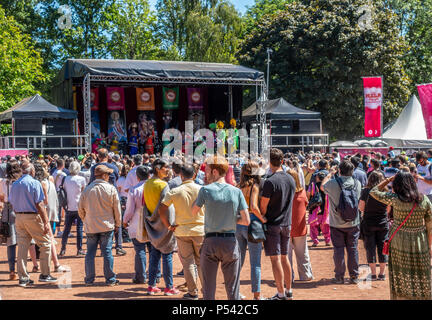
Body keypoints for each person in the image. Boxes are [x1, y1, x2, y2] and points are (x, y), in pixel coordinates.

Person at [192, 155, 250, 300]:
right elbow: (246, 220)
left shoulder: (205, 190)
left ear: (215, 172)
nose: (205, 174)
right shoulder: (236, 191)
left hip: (210, 242)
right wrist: (230, 219)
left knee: (208, 289)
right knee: (233, 290)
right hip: (230, 242)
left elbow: (193, 212)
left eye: (208, 170)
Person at [370, 172, 432, 299]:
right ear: (413, 183)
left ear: (397, 185)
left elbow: (373, 191)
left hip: (398, 239)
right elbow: (430, 227)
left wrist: (388, 179)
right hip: (419, 240)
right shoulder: (424, 200)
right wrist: (429, 246)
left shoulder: (394, 198)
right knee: (421, 272)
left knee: (400, 272)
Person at [159, 164, 205, 300]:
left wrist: (168, 225)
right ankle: (207, 290)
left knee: (188, 263)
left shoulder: (175, 191)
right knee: (201, 262)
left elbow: (162, 209)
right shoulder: (203, 190)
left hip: (182, 231)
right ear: (195, 175)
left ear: (181, 176)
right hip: (200, 230)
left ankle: (192, 292)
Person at [9, 161, 57, 287]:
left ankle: (23, 278)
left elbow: (12, 203)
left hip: (19, 217)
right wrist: (46, 222)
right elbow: (40, 204)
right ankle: (45, 274)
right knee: (45, 244)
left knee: (23, 247)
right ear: (32, 171)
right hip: (33, 216)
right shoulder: (35, 183)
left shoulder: (15, 184)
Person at [260, 148, 296, 300]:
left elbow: (263, 207)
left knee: (276, 259)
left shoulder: (270, 181)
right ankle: (288, 291)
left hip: (273, 224)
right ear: (282, 161)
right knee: (284, 257)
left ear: (269, 162)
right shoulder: (291, 179)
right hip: (287, 223)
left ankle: (281, 293)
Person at [78, 165, 121, 286]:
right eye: (108, 174)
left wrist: (86, 219)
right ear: (104, 175)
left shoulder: (87, 189)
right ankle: (110, 279)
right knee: (107, 252)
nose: (109, 176)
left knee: (90, 253)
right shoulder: (111, 189)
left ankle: (89, 279)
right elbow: (117, 209)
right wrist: (118, 223)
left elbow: (80, 209)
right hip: (107, 226)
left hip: (91, 226)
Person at [321, 160, 361, 284]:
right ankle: (354, 276)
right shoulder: (357, 183)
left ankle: (339, 276)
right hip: (353, 222)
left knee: (338, 249)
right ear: (352, 171)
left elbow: (322, 186)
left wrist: (329, 174)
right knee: (353, 248)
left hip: (336, 223)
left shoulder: (332, 183)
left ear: (339, 170)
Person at [143, 159, 179, 296]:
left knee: (154, 256)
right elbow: (167, 208)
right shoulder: (163, 185)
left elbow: (146, 206)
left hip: (152, 226)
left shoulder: (147, 184)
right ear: (158, 169)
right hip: (164, 225)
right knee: (167, 256)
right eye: (165, 167)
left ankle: (151, 285)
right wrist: (170, 225)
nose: (168, 169)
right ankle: (169, 287)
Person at [237, 161, 267, 300]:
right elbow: (254, 206)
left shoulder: (238, 187)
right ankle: (257, 295)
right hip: (253, 222)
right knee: (255, 262)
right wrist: (263, 219)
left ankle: (235, 292)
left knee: (238, 261)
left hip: (239, 224)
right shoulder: (254, 186)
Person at [358, 171, 389, 281]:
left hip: (369, 223)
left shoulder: (366, 191)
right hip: (382, 223)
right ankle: (382, 274)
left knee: (370, 248)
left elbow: (361, 208)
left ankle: (373, 274)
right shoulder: (385, 192)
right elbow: (388, 209)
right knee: (383, 248)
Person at [123, 166, 150, 284]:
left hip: (137, 223)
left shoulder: (134, 190)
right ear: (149, 176)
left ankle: (141, 276)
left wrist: (125, 221)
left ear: (137, 177)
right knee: (153, 250)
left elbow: (129, 209)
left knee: (139, 249)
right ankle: (156, 275)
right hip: (153, 222)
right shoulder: (154, 188)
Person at [287, 169, 314, 282]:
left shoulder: (284, 193)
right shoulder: (302, 192)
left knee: (286, 256)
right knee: (303, 254)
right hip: (300, 227)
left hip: (286, 227)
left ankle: (288, 277)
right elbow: (306, 203)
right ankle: (306, 275)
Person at [59, 161, 86, 257]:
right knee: (79, 229)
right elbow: (84, 193)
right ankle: (79, 249)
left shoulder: (65, 179)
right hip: (79, 207)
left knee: (66, 229)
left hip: (68, 207)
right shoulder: (81, 179)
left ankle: (63, 249)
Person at [0, 160, 20, 280]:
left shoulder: (3, 182)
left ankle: (12, 270)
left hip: (7, 211)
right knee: (24, 241)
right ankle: (23, 269)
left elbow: (1, 197)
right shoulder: (20, 182)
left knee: (10, 243)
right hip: (20, 209)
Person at [307, 171, 331, 247]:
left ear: (317, 178)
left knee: (313, 226)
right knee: (325, 226)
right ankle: (327, 241)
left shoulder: (312, 185)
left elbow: (308, 195)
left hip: (314, 209)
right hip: (325, 208)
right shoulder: (327, 186)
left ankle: (315, 241)